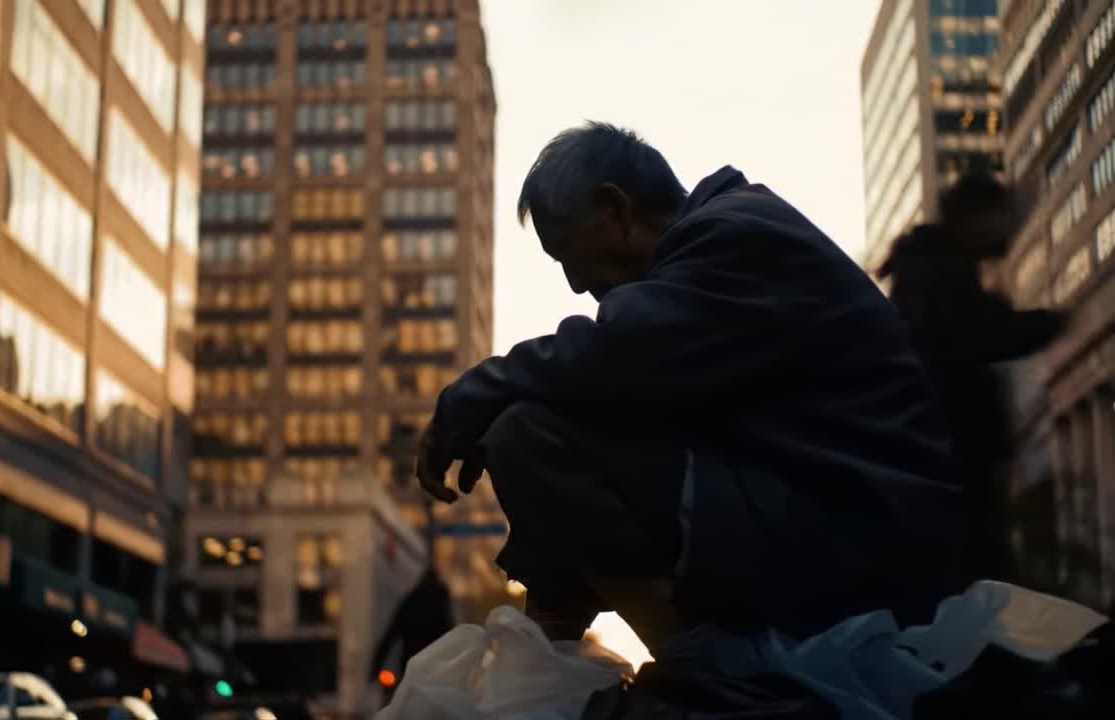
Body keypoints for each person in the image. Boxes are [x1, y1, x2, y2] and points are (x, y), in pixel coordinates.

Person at [414, 122, 967, 649]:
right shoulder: (727, 241)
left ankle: (701, 669)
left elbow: (618, 353)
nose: (576, 283)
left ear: (615, 209)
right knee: (553, 418)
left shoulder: (734, 237)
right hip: (845, 519)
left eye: (565, 254)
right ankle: (557, 641)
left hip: (866, 537)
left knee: (526, 435)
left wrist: (478, 390)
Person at [880, 173, 1069, 584]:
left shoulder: (932, 267)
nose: (1007, 227)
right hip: (956, 451)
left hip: (951, 449)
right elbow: (983, 332)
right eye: (999, 216)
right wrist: (1054, 322)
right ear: (975, 218)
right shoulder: (940, 269)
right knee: (980, 572)